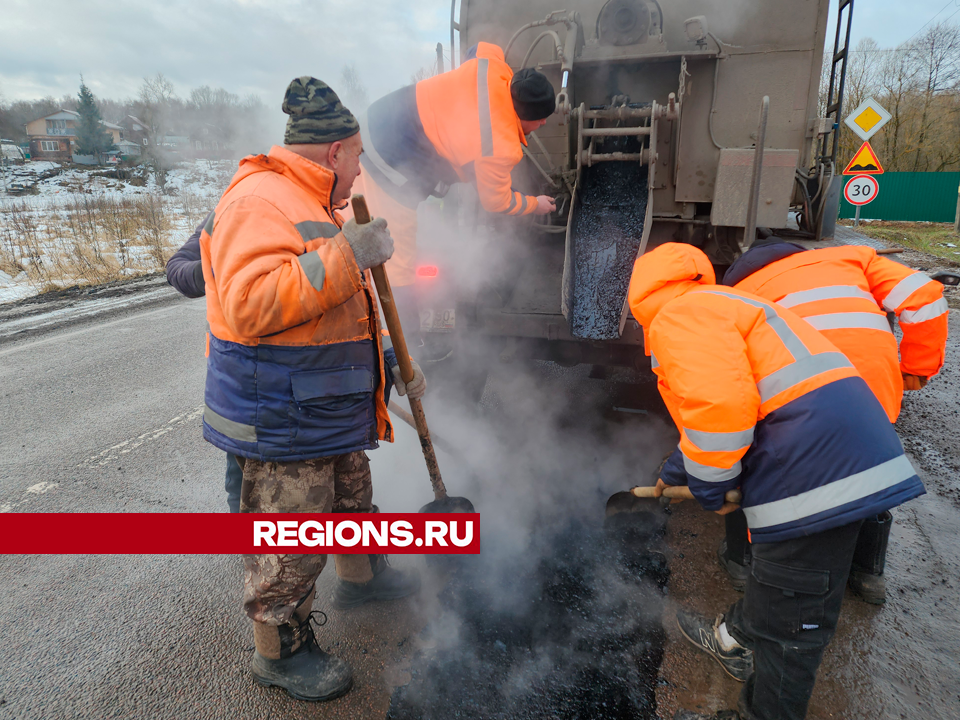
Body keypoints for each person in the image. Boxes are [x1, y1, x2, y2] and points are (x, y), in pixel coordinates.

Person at [627, 243, 925, 720]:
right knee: (786, 601)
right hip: (837, 461)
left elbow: (719, 414)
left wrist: (708, 488)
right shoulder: (729, 305)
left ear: (639, 297)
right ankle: (741, 654)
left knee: (793, 629)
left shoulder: (679, 317)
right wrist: (675, 473)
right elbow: (730, 399)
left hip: (815, 477)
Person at [199, 76, 424, 702]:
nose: (360, 173)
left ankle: (361, 574)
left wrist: (384, 358)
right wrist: (349, 256)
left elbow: (331, 309)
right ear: (335, 153)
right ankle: (279, 648)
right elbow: (250, 304)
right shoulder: (258, 200)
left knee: (351, 498)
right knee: (290, 536)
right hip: (282, 413)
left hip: (322, 403)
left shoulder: (312, 197)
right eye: (357, 159)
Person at [715, 237, 947, 604]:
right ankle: (866, 573)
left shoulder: (743, 293)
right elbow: (926, 297)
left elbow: (731, 372)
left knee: (762, 469)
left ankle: (745, 563)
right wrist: (917, 367)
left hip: (800, 393)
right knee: (868, 461)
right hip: (870, 385)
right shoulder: (853, 259)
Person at [356, 43, 559, 334]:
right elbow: (497, 202)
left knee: (354, 235)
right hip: (387, 165)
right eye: (540, 119)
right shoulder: (499, 146)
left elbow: (481, 47)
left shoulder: (493, 68)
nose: (542, 124)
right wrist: (535, 204)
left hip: (375, 121)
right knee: (394, 263)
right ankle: (399, 350)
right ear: (525, 115)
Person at [166, 212, 245, 514]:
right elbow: (178, 269)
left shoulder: (323, 206)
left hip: (312, 370)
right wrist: (217, 268)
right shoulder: (231, 208)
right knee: (242, 467)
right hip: (237, 370)